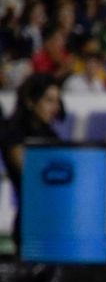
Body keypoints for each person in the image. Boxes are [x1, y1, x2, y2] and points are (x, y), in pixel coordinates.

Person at [0, 72, 63, 255]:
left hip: (56, 222)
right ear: (30, 101)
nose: (55, 107)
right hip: (32, 223)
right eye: (48, 100)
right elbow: (28, 173)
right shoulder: (15, 133)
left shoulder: (49, 134)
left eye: (57, 101)